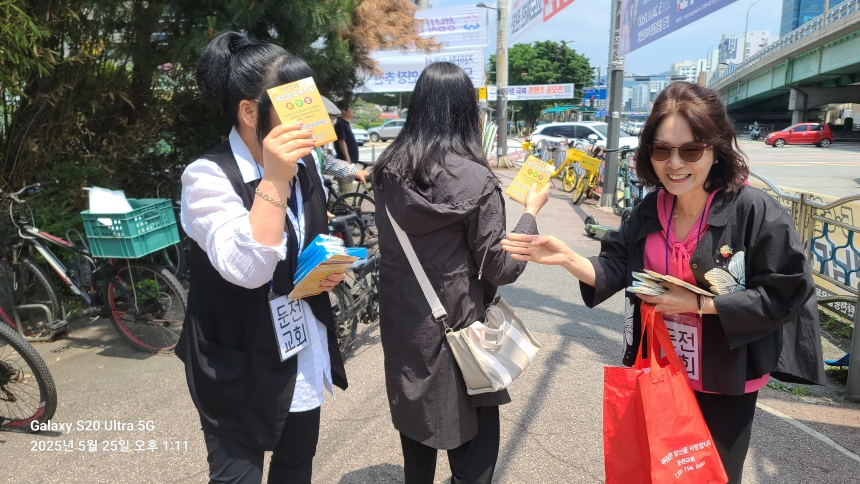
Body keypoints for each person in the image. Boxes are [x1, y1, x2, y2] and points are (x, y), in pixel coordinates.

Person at [502, 81, 824, 484]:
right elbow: (615, 267)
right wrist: (567, 258)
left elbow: (787, 289)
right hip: (659, 367)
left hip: (724, 374)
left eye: (690, 150)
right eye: (661, 150)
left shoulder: (754, 210)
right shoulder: (649, 209)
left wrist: (702, 304)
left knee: (711, 476)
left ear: (716, 148)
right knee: (659, 471)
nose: (674, 163)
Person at [175, 31, 352, 484]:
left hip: (297, 341)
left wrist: (322, 269)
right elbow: (249, 270)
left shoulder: (308, 163)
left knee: (296, 464)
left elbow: (307, 233)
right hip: (236, 355)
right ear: (249, 112)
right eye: (295, 107)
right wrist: (274, 179)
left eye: (309, 104)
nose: (309, 121)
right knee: (238, 476)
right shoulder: (207, 177)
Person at [372, 62, 550, 484]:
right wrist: (530, 213)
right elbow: (501, 267)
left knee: (416, 425)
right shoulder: (475, 178)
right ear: (466, 112)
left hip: (405, 326)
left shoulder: (386, 170)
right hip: (460, 328)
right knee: (474, 450)